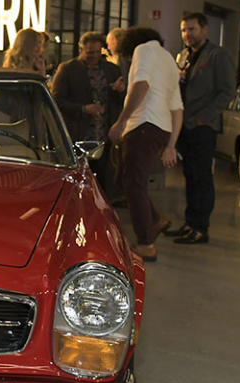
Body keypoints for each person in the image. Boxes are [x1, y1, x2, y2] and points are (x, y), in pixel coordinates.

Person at [108, 27, 183, 261]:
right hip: (160, 128)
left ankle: (146, 244)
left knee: (133, 183)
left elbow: (141, 86)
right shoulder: (169, 59)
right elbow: (177, 107)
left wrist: (121, 123)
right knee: (126, 179)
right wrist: (171, 144)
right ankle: (156, 220)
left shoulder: (143, 50)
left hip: (143, 125)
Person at [164, 12, 235, 244]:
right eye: (183, 30)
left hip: (203, 125)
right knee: (190, 176)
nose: (187, 34)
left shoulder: (218, 55)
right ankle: (190, 223)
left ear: (204, 29)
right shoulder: (183, 55)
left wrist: (203, 118)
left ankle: (200, 228)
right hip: (184, 123)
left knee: (202, 177)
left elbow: (226, 92)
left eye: (191, 29)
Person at [52, 32, 124, 198]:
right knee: (79, 176)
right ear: (81, 49)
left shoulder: (111, 69)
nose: (94, 56)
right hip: (79, 131)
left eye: (98, 52)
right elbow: (57, 100)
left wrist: (120, 91)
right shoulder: (68, 69)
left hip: (104, 131)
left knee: (104, 177)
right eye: (90, 52)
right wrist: (84, 109)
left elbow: (120, 100)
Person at [105, 27, 129, 94]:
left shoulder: (121, 60)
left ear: (114, 41)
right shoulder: (131, 57)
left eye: (108, 43)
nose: (108, 48)